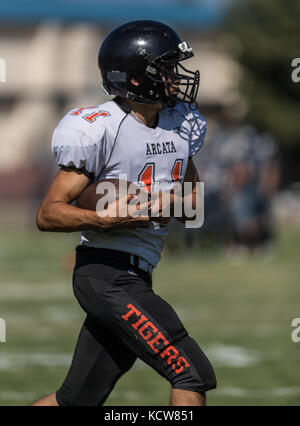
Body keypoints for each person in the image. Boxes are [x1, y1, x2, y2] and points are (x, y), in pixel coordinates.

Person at [30, 20, 216, 407]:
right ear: (136, 78)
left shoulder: (182, 123)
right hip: (106, 275)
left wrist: (171, 204)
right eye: (165, 69)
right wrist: (104, 218)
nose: (175, 78)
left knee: (75, 401)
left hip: (138, 275)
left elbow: (193, 204)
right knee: (191, 372)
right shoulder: (99, 128)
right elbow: (48, 214)